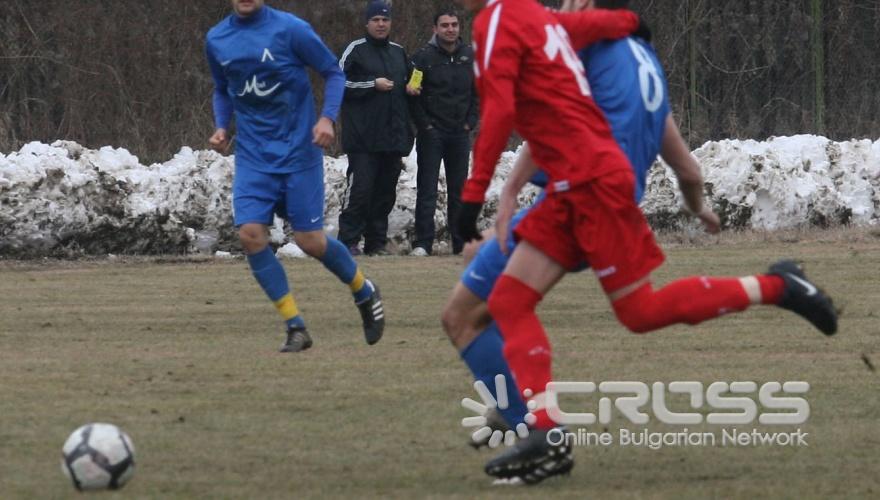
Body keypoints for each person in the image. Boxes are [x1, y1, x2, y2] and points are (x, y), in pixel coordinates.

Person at [453, 0, 837, 484]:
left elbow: (509, 105)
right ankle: (540, 429)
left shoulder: (517, 25)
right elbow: (588, 33)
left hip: (589, 185)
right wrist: (632, 22)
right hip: (583, 186)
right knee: (509, 301)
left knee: (625, 312)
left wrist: (477, 194)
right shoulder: (585, 35)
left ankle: (778, 286)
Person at [206, 0, 385, 353]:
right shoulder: (217, 38)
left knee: (310, 242)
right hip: (254, 157)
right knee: (251, 235)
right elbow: (222, 88)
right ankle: (295, 326)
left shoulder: (291, 29)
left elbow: (333, 72)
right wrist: (222, 127)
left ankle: (364, 290)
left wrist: (326, 118)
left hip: (298, 153)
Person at [337, 1, 414, 256]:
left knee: (384, 195)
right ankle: (347, 241)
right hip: (363, 139)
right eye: (376, 20)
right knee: (360, 191)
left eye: (385, 20)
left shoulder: (399, 52)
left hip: (392, 138)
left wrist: (414, 87)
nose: (381, 24)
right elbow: (338, 83)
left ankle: (376, 244)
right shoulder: (355, 50)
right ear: (367, 23)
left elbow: (413, 80)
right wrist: (372, 84)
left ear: (391, 22)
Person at [407, 8, 479, 256]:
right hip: (431, 135)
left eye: (454, 25)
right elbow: (412, 94)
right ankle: (423, 243)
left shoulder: (471, 56)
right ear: (435, 29)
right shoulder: (422, 57)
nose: (450, 29)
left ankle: (459, 243)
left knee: (459, 190)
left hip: (460, 134)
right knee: (427, 189)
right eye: (445, 25)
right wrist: (425, 126)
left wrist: (471, 122)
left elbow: (480, 93)